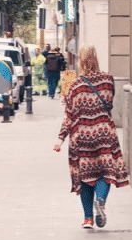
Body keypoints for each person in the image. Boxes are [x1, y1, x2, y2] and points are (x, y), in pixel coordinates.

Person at [53, 45, 128, 229]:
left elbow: (69, 115)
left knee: (85, 176)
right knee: (105, 172)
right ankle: (100, 200)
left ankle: (88, 219)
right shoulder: (108, 80)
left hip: (82, 136)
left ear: (81, 61)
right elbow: (109, 103)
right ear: (96, 58)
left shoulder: (75, 86)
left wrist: (60, 139)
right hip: (104, 133)